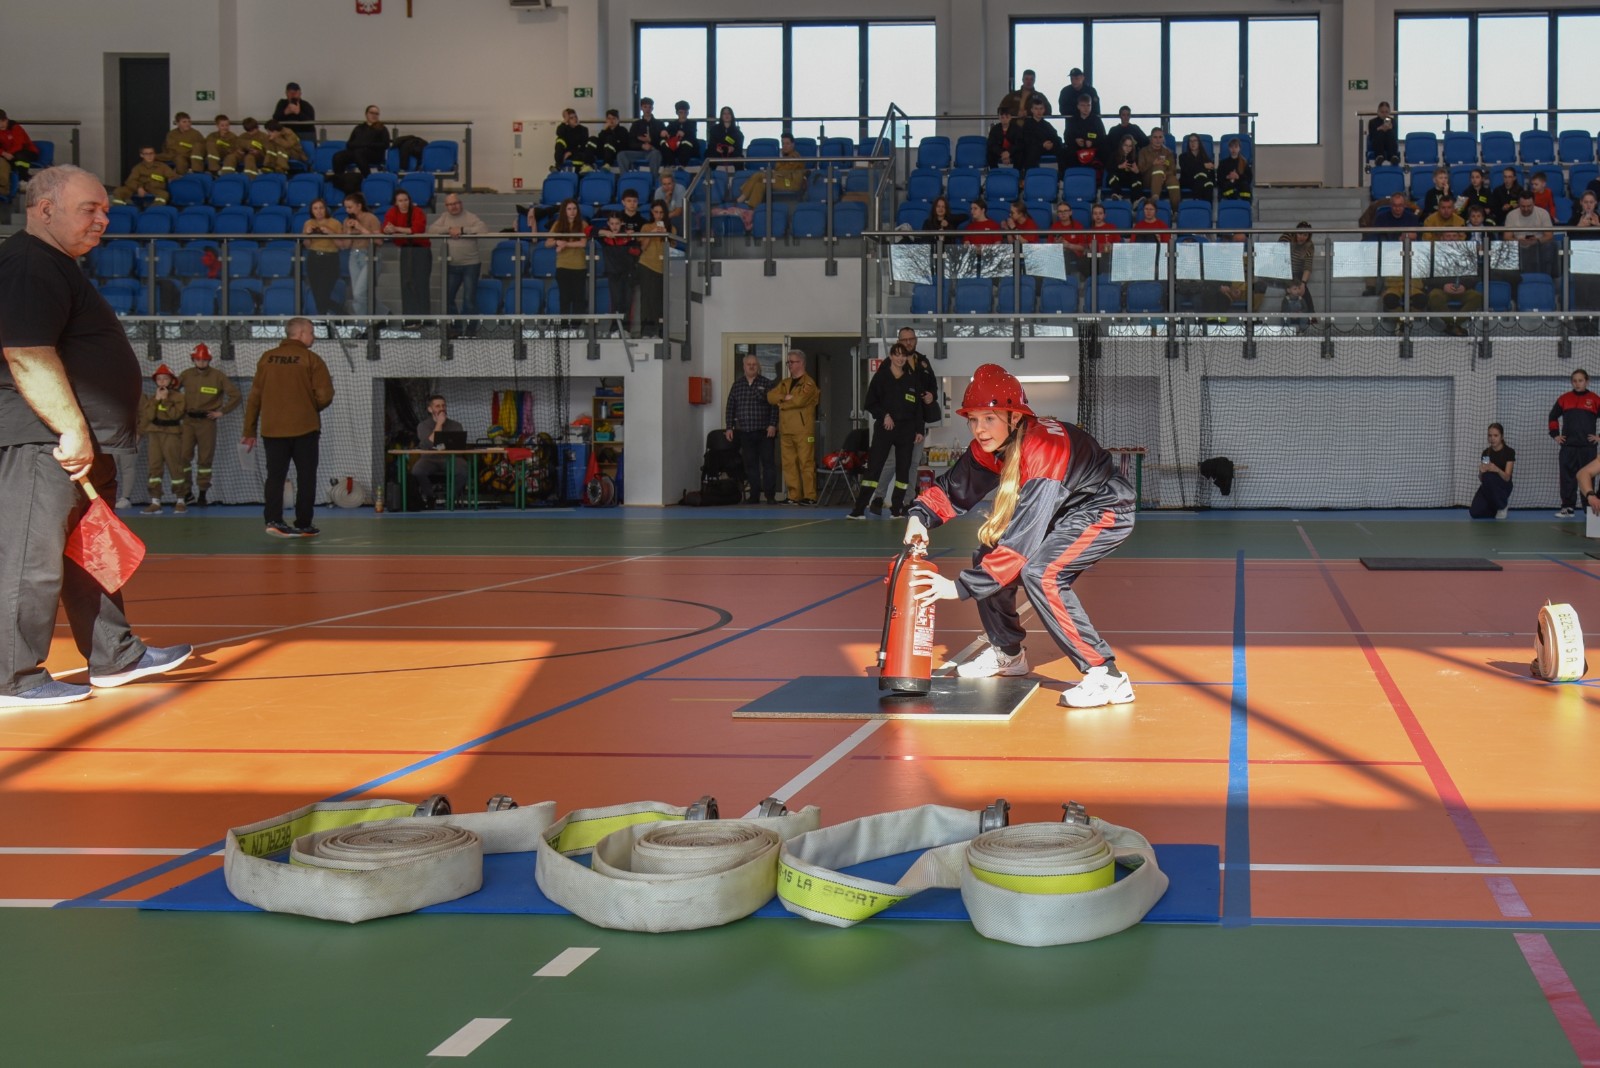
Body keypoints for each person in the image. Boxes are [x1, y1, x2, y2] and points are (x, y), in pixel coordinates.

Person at [0, 164, 192, 708]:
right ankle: (12, 677)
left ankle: (115, 654)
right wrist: (70, 429)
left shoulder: (53, 265)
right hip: (45, 441)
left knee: (87, 552)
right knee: (32, 557)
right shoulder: (29, 265)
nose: (103, 220)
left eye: (105, 210)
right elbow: (27, 353)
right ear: (45, 209)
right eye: (90, 209)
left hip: (76, 443)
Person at [903, 364, 1136, 709]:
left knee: (1043, 573)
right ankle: (1008, 653)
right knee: (987, 556)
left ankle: (1106, 674)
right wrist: (918, 517)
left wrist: (959, 587)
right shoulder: (993, 445)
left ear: (1014, 417)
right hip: (1064, 508)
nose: (979, 429)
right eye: (973, 420)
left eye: (989, 418)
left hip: (1103, 508)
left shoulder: (1042, 451)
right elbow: (953, 489)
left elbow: (1021, 544)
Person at [241, 317, 334, 537]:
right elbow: (325, 395)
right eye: (311, 332)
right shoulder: (311, 359)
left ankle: (273, 520)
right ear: (301, 334)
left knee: (275, 477)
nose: (313, 337)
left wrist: (249, 431)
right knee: (306, 477)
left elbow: (254, 397)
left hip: (272, 430)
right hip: (305, 429)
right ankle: (303, 523)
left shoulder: (267, 358)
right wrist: (308, 408)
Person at [849, 343, 925, 519]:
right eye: (896, 355)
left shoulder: (912, 379)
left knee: (903, 469)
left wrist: (919, 430)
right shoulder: (881, 377)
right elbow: (870, 403)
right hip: (885, 429)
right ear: (891, 356)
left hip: (906, 430)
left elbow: (918, 409)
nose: (900, 358)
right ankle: (859, 509)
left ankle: (897, 509)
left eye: (903, 355)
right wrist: (884, 415)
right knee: (874, 467)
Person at [177, 342, 240, 507]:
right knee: (183, 456)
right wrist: (176, 411)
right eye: (198, 359)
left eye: (204, 360)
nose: (201, 362)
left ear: (209, 360)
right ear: (193, 359)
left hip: (207, 422)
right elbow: (171, 391)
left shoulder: (218, 376)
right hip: (188, 422)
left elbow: (235, 395)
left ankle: (202, 494)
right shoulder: (186, 375)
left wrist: (222, 411)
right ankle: (187, 492)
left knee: (205, 459)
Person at [427, 192, 489, 331]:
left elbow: (483, 229)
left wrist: (462, 230)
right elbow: (431, 229)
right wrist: (449, 230)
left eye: (455, 203)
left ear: (460, 203)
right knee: (448, 298)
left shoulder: (470, 216)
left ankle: (470, 331)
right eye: (449, 204)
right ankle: (456, 329)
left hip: (470, 265)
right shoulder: (444, 217)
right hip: (451, 265)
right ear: (446, 206)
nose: (453, 207)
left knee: (469, 300)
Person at [1422, 197, 1481, 335]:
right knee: (1434, 296)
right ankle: (1454, 325)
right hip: (1442, 290)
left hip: (1462, 289)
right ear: (1441, 238)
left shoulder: (1467, 253)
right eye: (1448, 236)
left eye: (1454, 236)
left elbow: (1475, 277)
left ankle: (1453, 325)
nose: (1452, 239)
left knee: (1477, 296)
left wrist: (1463, 286)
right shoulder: (1433, 255)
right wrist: (1444, 285)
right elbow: (1427, 279)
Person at [768, 348, 820, 505]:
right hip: (785, 430)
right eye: (788, 362)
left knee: (806, 463)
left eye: (792, 362)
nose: (789, 365)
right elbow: (770, 396)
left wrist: (782, 403)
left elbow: (800, 401)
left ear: (801, 363)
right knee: (788, 464)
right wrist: (785, 397)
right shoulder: (784, 383)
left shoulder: (809, 383)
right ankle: (793, 496)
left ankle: (810, 496)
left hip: (803, 431)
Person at [724, 353, 777, 503]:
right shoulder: (737, 385)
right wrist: (729, 427)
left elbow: (774, 406)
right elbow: (730, 407)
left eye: (754, 364)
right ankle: (754, 496)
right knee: (751, 465)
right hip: (745, 432)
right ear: (744, 366)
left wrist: (773, 424)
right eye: (749, 364)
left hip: (765, 432)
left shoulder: (767, 383)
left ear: (758, 366)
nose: (752, 366)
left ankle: (770, 496)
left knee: (768, 464)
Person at [1550, 368, 1600, 518]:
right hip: (1568, 447)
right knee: (1567, 477)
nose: (1577, 383)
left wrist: (1599, 437)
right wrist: (1555, 435)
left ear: (1587, 381)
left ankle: (1589, 509)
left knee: (1588, 478)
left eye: (1580, 380)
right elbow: (1552, 417)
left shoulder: (1595, 399)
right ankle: (1568, 508)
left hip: (1588, 448)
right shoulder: (1564, 398)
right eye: (1574, 381)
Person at [138, 364, 187, 513]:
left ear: (171, 380)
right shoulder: (153, 398)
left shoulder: (179, 397)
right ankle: (155, 501)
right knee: (154, 467)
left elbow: (176, 415)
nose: (162, 382)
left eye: (165, 378)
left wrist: (165, 401)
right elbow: (148, 416)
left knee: (175, 466)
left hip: (172, 434)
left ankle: (180, 500)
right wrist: (156, 401)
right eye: (159, 379)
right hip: (155, 434)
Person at [729, 132, 805, 225]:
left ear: (793, 144)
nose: (785, 146)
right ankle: (751, 211)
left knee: (760, 175)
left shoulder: (795, 156)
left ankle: (741, 199)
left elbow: (784, 172)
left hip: (790, 182)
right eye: (783, 144)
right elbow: (779, 171)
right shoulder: (783, 156)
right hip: (782, 179)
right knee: (760, 185)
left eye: (787, 144)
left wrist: (772, 173)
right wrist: (774, 172)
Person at [410, 394, 468, 508]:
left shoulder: (456, 425)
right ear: (430, 409)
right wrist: (439, 423)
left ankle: (450, 498)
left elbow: (458, 446)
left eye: (443, 405)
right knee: (417, 471)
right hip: (429, 459)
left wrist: (441, 446)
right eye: (437, 406)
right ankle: (430, 496)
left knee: (463, 470)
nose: (441, 409)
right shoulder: (423, 425)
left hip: (451, 458)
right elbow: (429, 444)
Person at [383, 188, 431, 323]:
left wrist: (396, 229)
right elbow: (386, 227)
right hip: (406, 249)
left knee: (420, 285)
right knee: (407, 284)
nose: (403, 203)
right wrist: (388, 229)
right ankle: (409, 320)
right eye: (400, 201)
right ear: (396, 202)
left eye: (406, 200)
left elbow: (417, 229)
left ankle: (424, 318)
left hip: (420, 250)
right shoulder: (392, 212)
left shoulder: (417, 211)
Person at [339, 191, 383, 320]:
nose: (348, 210)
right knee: (359, 293)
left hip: (369, 255)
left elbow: (379, 241)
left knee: (359, 293)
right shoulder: (347, 221)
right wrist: (348, 231)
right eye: (346, 207)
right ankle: (383, 314)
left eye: (350, 207)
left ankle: (363, 323)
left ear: (359, 206)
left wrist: (360, 227)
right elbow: (346, 245)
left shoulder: (370, 218)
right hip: (354, 255)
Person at [544, 198, 590, 322]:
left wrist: (565, 244)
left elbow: (582, 243)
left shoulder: (583, 224)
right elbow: (547, 243)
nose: (572, 211)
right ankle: (564, 327)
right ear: (564, 211)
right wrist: (557, 242)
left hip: (579, 266)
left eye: (574, 209)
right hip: (563, 265)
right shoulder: (558, 224)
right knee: (564, 298)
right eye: (569, 209)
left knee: (578, 298)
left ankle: (576, 327)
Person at [595, 210, 637, 336]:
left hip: (628, 273)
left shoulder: (628, 236)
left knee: (627, 301)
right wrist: (604, 232)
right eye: (612, 224)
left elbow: (637, 251)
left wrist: (632, 238)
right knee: (616, 301)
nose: (614, 227)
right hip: (613, 273)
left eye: (617, 223)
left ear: (622, 223)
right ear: (608, 224)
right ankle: (614, 329)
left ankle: (626, 329)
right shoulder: (605, 238)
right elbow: (588, 230)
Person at [302, 197, 345, 315]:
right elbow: (307, 245)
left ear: (326, 209)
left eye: (321, 208)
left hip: (330, 259)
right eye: (315, 208)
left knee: (323, 293)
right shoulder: (308, 223)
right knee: (317, 294)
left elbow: (342, 245)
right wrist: (307, 234)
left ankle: (342, 314)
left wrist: (330, 233)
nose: (319, 211)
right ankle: (325, 318)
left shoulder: (335, 223)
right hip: (313, 258)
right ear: (311, 210)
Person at [636, 199, 669, 336]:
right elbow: (643, 247)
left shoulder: (671, 228)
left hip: (664, 267)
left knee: (660, 300)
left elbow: (673, 249)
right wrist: (652, 232)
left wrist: (666, 235)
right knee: (647, 299)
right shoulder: (646, 227)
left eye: (661, 213)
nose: (659, 215)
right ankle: (646, 331)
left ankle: (660, 330)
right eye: (656, 212)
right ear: (652, 212)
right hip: (647, 265)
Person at [1469, 423, 1515, 519]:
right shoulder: (1486, 453)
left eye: (1495, 435)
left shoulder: (1509, 452)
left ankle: (1502, 506)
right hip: (1488, 486)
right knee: (1474, 513)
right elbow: (1482, 479)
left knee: (1489, 476)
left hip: (1503, 486)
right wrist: (1481, 472)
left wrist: (1497, 469)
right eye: (1490, 435)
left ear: (1502, 436)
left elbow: (1507, 478)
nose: (1492, 438)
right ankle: (1495, 508)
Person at [330, 105, 390, 179]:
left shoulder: (382, 128)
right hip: (357, 153)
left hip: (374, 154)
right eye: (372, 113)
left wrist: (368, 145)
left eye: (376, 114)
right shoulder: (358, 128)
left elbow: (385, 144)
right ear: (366, 114)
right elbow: (349, 144)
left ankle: (367, 177)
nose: (374, 115)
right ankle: (340, 179)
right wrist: (361, 145)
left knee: (359, 153)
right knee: (338, 156)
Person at [1506, 191, 1555, 277]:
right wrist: (1518, 241)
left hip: (1539, 247)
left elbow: (1549, 236)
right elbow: (1507, 237)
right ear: (1518, 204)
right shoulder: (1511, 215)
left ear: (1534, 203)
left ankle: (1545, 277)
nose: (1526, 209)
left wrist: (1537, 241)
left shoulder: (1543, 213)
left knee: (1549, 246)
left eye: (1529, 206)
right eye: (1523, 206)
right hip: (1518, 247)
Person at [110, 147, 177, 206]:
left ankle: (152, 211)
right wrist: (139, 188)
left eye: (151, 153)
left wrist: (171, 178)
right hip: (138, 188)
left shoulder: (162, 166)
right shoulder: (138, 168)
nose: (149, 156)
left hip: (155, 189)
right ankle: (124, 210)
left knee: (164, 194)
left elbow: (173, 176)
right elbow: (130, 181)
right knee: (118, 191)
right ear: (141, 155)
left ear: (154, 154)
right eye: (146, 154)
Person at [1060, 93, 1105, 176]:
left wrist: (1093, 143)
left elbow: (1103, 137)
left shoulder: (1096, 120)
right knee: (1065, 154)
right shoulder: (1072, 120)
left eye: (1088, 105)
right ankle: (1066, 178)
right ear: (1078, 106)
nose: (1086, 108)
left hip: (1093, 150)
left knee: (1104, 153)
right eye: (1083, 105)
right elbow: (1067, 136)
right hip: (1076, 149)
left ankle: (1099, 180)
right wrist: (1075, 141)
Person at [618, 98, 665, 173]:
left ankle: (654, 178)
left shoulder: (659, 124)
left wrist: (651, 141)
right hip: (638, 152)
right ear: (641, 108)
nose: (647, 109)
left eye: (649, 107)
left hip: (653, 152)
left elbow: (663, 142)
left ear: (652, 108)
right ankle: (625, 177)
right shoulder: (636, 124)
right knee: (621, 155)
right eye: (645, 107)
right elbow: (631, 142)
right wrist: (641, 145)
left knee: (656, 154)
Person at [1137, 127, 1179, 210]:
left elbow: (1173, 169)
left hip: (1165, 179)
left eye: (1160, 137)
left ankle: (1175, 211)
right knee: (1158, 167)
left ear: (1163, 139)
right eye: (1155, 137)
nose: (1158, 140)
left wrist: (1164, 174)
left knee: (1173, 180)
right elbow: (1140, 170)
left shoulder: (1168, 152)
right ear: (1151, 139)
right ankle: (1154, 200)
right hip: (1148, 180)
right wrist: (1152, 164)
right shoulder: (1143, 151)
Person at [0, 110, 41, 191]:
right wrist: (3, 153)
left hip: (26, 152)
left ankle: (24, 179)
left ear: (5, 120)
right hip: (8, 155)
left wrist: (8, 154)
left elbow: (18, 145)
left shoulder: (16, 128)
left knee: (19, 156)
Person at [1020, 98, 1061, 174]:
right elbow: (1027, 141)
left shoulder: (1047, 125)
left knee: (1063, 150)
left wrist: (1052, 144)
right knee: (1031, 151)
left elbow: (1056, 138)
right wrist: (1042, 145)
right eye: (1036, 109)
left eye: (1041, 109)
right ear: (1032, 110)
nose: (1039, 111)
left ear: (1044, 110)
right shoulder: (1027, 125)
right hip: (1033, 150)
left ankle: (1061, 177)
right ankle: (1030, 175)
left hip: (1047, 149)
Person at [1104, 136, 1145, 202]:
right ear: (1121, 145)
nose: (1127, 148)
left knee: (1137, 178)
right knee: (1112, 175)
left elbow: (1140, 175)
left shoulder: (1135, 157)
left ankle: (1136, 200)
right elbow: (1108, 168)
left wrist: (1137, 171)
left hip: (1129, 181)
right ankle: (1117, 195)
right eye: (1125, 145)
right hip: (1117, 181)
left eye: (1130, 146)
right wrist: (1120, 166)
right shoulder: (1114, 155)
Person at [553, 108, 594, 172]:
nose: (575, 119)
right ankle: (558, 165)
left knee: (580, 154)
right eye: (571, 118)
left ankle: (580, 172)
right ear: (567, 121)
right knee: (559, 140)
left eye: (575, 117)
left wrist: (570, 152)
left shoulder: (583, 129)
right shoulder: (565, 129)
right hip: (567, 153)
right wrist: (564, 121)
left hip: (578, 152)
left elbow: (583, 146)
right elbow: (559, 133)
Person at [1178, 134, 1215, 202]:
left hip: (1202, 181)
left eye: (1195, 141)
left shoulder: (1206, 158)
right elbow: (1187, 169)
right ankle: (1200, 204)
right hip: (1187, 181)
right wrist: (1203, 166)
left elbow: (1211, 175)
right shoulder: (1182, 157)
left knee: (1209, 184)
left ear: (1199, 143)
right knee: (1204, 180)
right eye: (1190, 141)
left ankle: (1206, 206)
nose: (1193, 143)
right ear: (1188, 144)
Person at [663, 100, 698, 168]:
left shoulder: (692, 124)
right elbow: (667, 134)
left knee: (686, 143)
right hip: (675, 149)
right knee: (664, 143)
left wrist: (684, 133)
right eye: (681, 112)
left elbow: (692, 135)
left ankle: (681, 166)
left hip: (689, 150)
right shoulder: (672, 124)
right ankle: (670, 165)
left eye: (685, 112)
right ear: (677, 113)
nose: (683, 115)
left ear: (688, 113)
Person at [986, 105, 1022, 170]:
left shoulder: (1017, 129)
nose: (1005, 119)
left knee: (1020, 153)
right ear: (999, 117)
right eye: (1002, 117)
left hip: (1012, 151)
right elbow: (992, 144)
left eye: (1007, 117)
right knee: (990, 154)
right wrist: (1002, 153)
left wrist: (1009, 152)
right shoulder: (994, 129)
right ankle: (995, 172)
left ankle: (1018, 173)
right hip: (999, 151)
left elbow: (1019, 144)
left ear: (1010, 117)